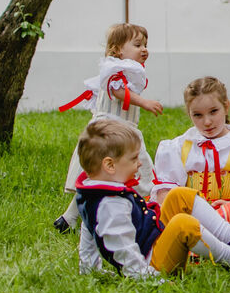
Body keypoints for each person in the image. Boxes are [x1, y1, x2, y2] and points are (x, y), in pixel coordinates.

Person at [74, 121, 230, 278]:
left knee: (178, 195)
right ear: (110, 165)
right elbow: (124, 249)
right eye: (134, 158)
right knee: (183, 224)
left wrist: (88, 268)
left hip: (153, 241)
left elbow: (88, 229)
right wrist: (146, 277)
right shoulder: (110, 204)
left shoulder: (92, 193)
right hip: (152, 264)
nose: (139, 163)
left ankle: (229, 235)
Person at [54, 23, 163, 234]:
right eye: (138, 44)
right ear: (118, 50)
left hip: (121, 132)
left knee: (101, 176)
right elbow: (119, 92)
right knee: (139, 170)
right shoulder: (116, 70)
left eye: (145, 45)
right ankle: (150, 209)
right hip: (113, 133)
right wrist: (145, 102)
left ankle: (68, 219)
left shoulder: (128, 71)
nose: (144, 49)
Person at [151, 76, 230, 225]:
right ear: (189, 114)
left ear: (226, 106)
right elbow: (166, 194)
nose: (207, 122)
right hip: (191, 220)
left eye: (213, 111)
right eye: (198, 115)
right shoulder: (178, 147)